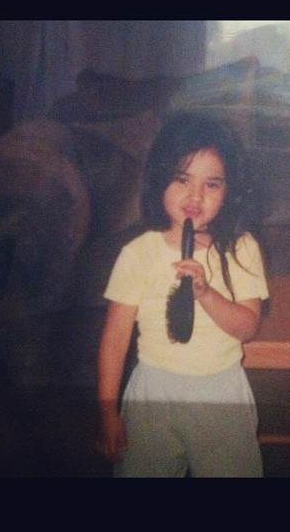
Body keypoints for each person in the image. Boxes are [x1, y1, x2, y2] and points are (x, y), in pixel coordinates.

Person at [95, 113, 269, 477]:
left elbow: (247, 327)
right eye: (182, 179)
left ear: (229, 192)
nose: (195, 195)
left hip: (220, 392)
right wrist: (108, 410)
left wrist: (206, 293)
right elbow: (115, 338)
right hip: (153, 393)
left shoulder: (242, 248)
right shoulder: (137, 253)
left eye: (212, 184)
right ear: (160, 181)